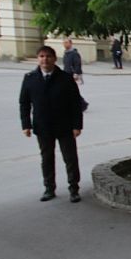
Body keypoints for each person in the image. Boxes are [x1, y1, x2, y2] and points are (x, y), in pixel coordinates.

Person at [19, 46, 84, 203]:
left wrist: (77, 125)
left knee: (70, 158)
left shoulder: (65, 78)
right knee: (46, 158)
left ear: (55, 58)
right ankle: (49, 188)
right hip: (43, 126)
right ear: (38, 58)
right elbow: (24, 103)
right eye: (41, 56)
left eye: (48, 56)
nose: (45, 59)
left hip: (64, 125)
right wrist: (26, 125)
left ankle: (74, 189)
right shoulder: (30, 78)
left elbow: (76, 103)